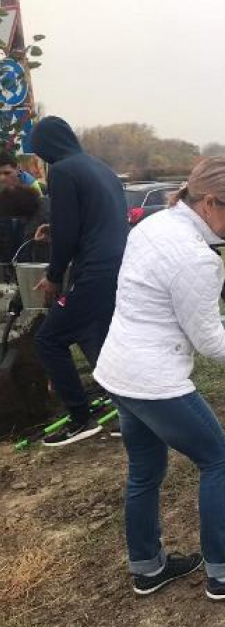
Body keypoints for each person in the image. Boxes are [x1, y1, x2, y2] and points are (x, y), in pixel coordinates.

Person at [93, 157, 225, 600]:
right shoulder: (197, 258)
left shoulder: (151, 226)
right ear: (209, 202)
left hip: (118, 371)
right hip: (155, 381)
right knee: (218, 459)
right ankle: (224, 572)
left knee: (146, 469)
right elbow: (209, 341)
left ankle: (147, 567)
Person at [30, 116, 129, 446]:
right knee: (101, 339)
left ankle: (80, 417)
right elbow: (96, 219)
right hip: (121, 267)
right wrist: (56, 231)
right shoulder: (99, 167)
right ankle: (131, 408)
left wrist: (53, 276)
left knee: (49, 339)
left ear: (47, 148)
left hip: (96, 272)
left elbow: (70, 231)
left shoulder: (63, 170)